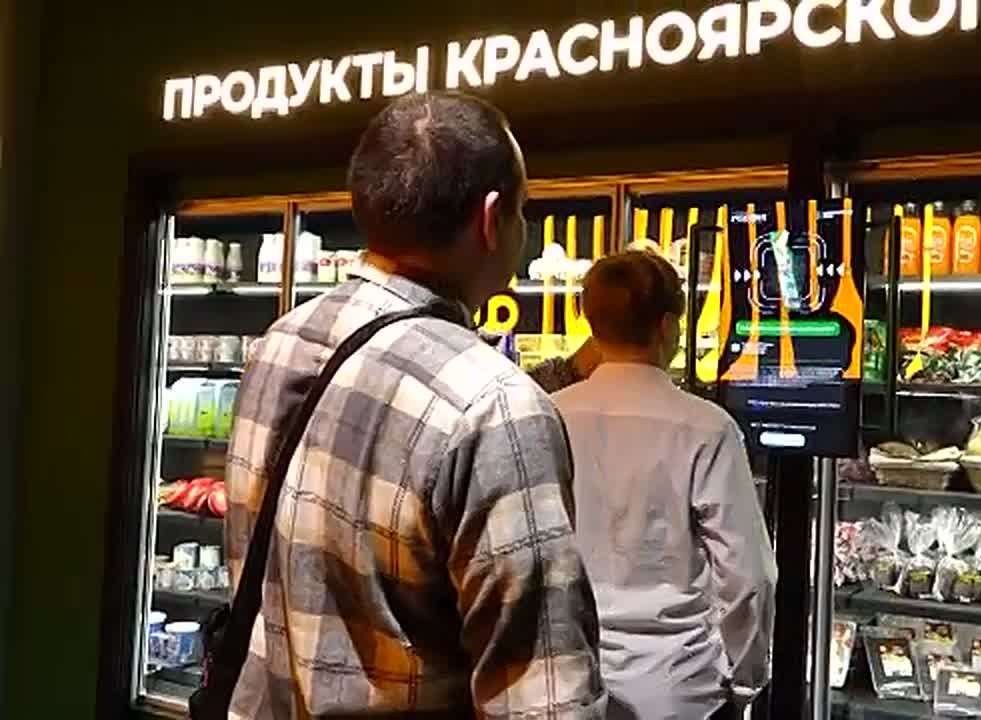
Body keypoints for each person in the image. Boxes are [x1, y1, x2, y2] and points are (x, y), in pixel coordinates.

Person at [224, 92, 606, 719]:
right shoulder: (495, 406)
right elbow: (542, 697)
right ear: (492, 219)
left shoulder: (281, 342)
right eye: (523, 208)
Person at [551, 251, 777, 720]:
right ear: (668, 326)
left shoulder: (548, 414)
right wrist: (746, 678)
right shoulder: (707, 427)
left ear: (591, 322)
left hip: (570, 680)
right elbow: (749, 576)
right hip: (679, 687)